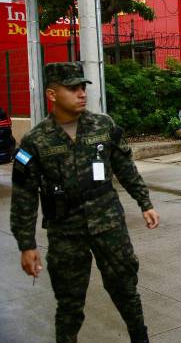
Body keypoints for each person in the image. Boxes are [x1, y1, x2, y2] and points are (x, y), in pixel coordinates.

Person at [10, 62, 160, 343]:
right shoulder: (35, 141)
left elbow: (124, 167)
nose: (81, 94)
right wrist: (26, 244)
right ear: (52, 94)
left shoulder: (103, 126)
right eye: (72, 88)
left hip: (109, 224)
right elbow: (24, 195)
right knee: (69, 303)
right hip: (65, 231)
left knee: (126, 291)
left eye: (83, 88)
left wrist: (145, 202)